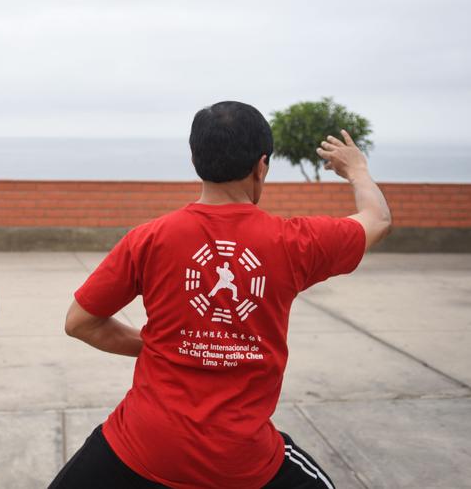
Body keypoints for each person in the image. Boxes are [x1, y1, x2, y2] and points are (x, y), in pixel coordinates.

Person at [50, 101, 391, 489]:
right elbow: (378, 220)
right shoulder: (295, 242)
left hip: (143, 443)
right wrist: (358, 170)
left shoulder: (148, 239)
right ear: (261, 166)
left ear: (195, 159)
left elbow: (79, 322)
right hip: (242, 460)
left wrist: (157, 346)